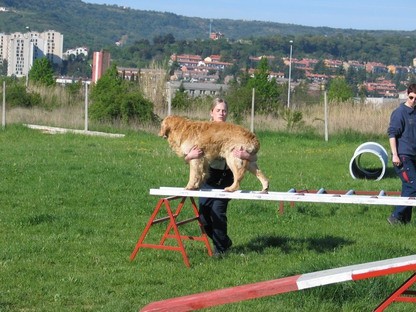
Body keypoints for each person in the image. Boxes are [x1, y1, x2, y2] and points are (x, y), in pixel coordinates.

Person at [184, 98, 255, 256]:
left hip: (226, 178)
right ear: (211, 113)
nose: (221, 113)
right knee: (203, 218)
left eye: (224, 111)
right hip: (208, 178)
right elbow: (188, 158)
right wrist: (190, 156)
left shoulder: (233, 131)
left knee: (218, 212)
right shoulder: (201, 131)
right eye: (218, 110)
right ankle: (225, 242)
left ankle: (220, 250)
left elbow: (254, 159)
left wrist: (246, 155)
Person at [387, 83, 416, 225]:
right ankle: (395, 216)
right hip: (403, 156)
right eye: (411, 98)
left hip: (413, 156)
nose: (413, 101)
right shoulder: (399, 112)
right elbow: (392, 134)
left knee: (408, 187)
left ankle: (405, 220)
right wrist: (395, 155)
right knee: (413, 185)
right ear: (407, 94)